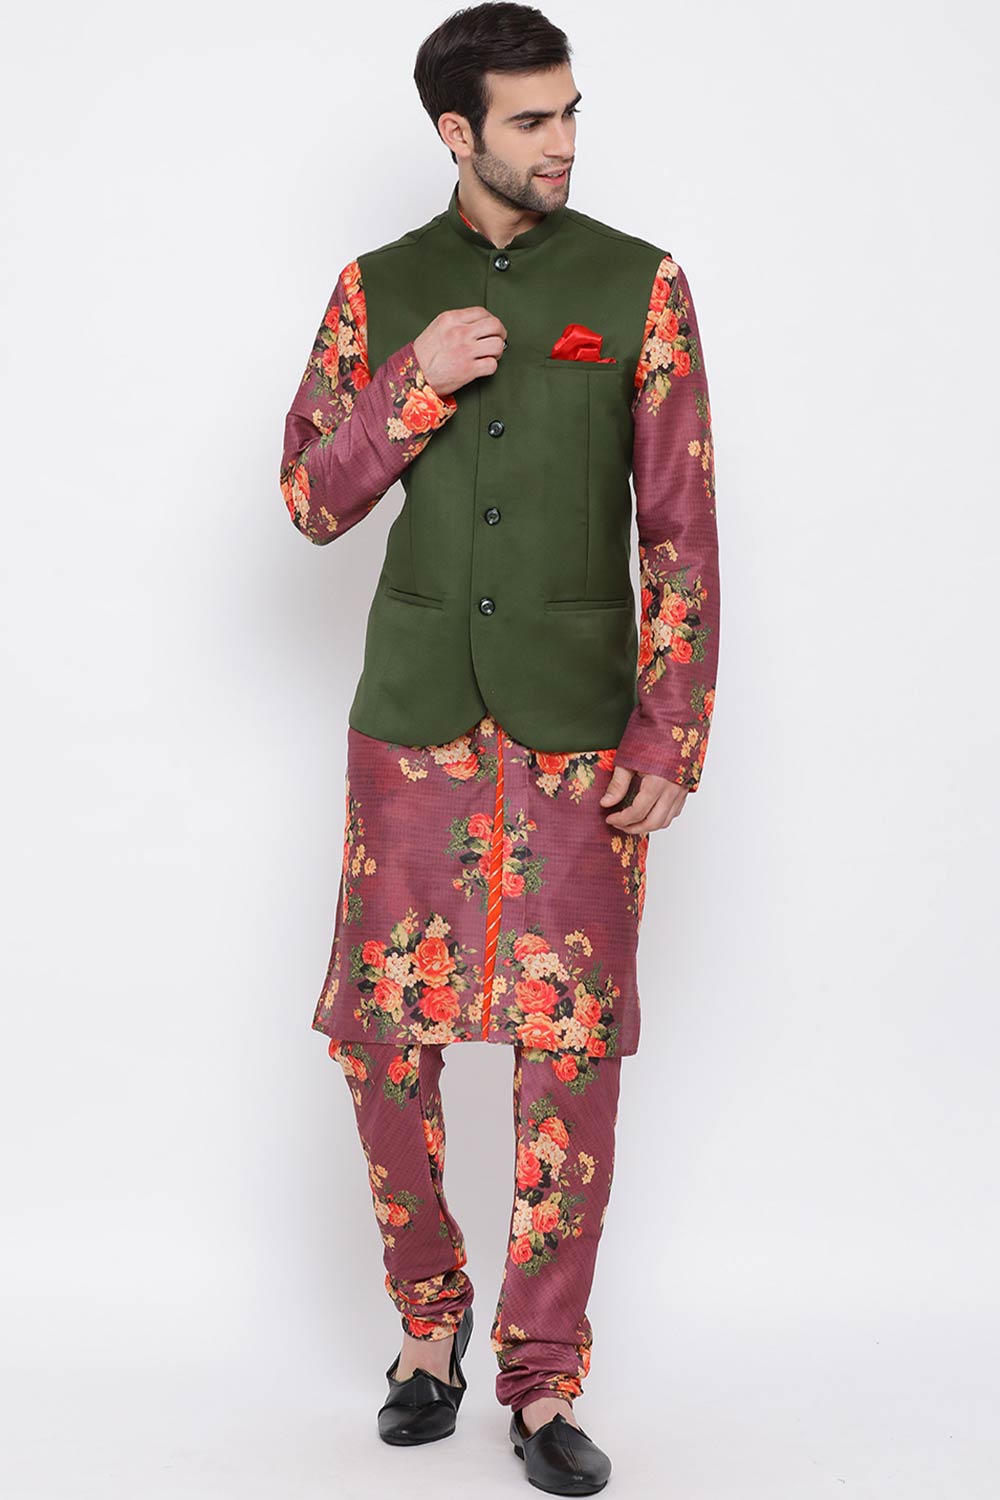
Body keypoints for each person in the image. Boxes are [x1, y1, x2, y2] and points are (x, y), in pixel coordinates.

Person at [278, 4, 720, 1491]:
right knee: (380, 1040)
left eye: (571, 111)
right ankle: (429, 1326)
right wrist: (412, 382)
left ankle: (542, 1380)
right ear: (457, 132)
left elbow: (680, 528)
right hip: (412, 724)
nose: (565, 141)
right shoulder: (377, 288)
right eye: (533, 119)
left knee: (568, 1052)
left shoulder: (640, 286)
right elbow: (309, 499)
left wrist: (672, 725)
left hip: (579, 735)